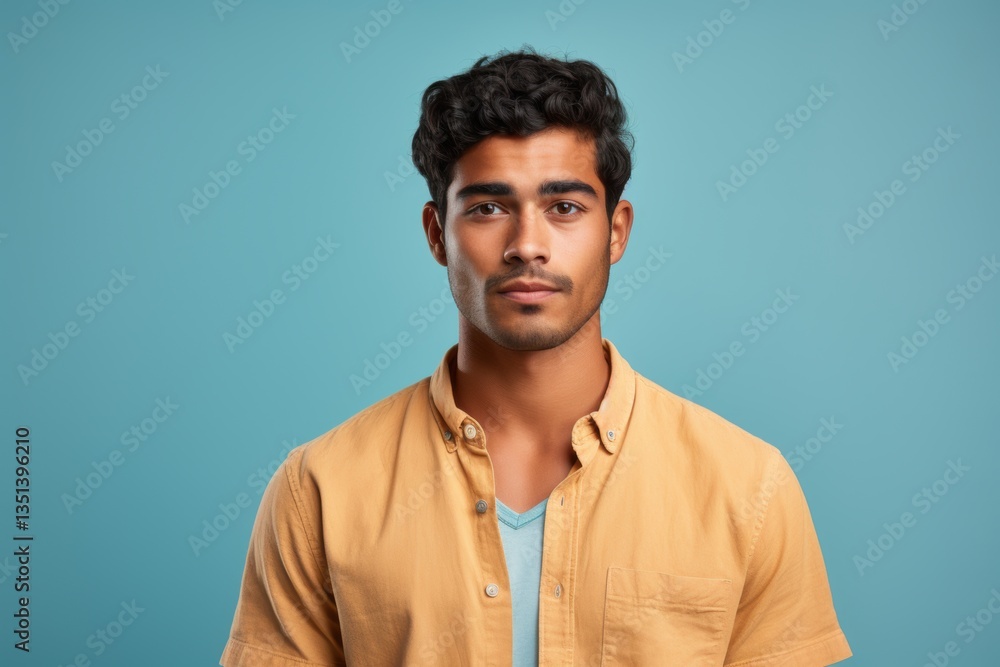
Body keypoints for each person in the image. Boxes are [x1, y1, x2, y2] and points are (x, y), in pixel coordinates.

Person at [220, 46, 852, 666]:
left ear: (617, 231)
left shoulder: (747, 486)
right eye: (489, 207)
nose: (528, 245)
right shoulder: (321, 489)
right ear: (438, 234)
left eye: (565, 207)